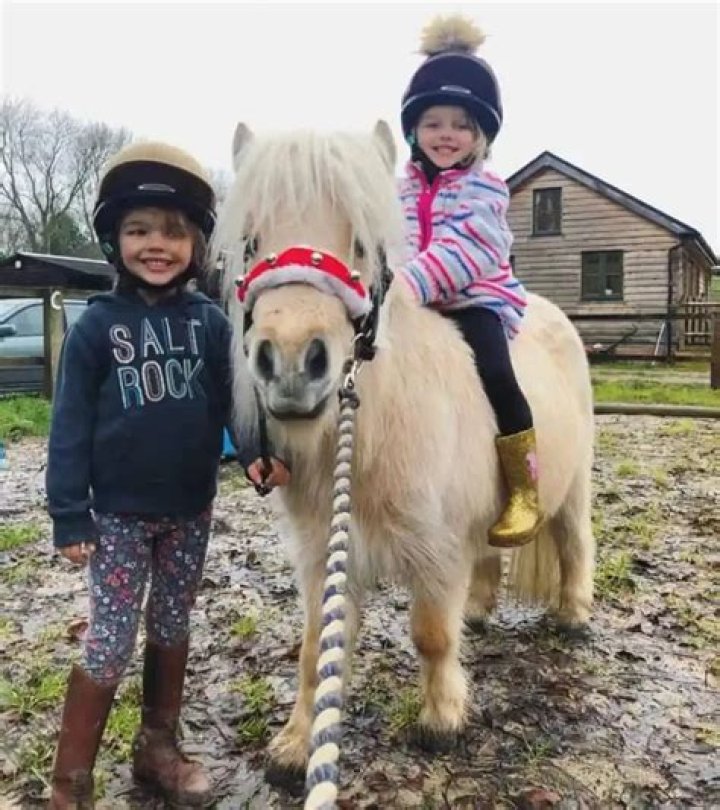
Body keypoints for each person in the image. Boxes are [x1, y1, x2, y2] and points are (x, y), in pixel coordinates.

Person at [46, 141, 288, 809]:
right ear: (113, 238)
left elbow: (231, 402)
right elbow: (66, 427)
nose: (158, 244)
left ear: (197, 245)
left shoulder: (210, 324)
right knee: (111, 639)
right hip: (118, 514)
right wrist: (69, 511)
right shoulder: (96, 329)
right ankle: (70, 783)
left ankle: (158, 748)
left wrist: (253, 451)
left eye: (175, 232)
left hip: (190, 507)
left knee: (173, 624)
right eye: (139, 230)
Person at [397, 15, 542, 548]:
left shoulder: (487, 187)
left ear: (480, 135)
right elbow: (396, 242)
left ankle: (524, 486)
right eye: (434, 123)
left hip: (477, 300)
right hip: (415, 303)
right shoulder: (401, 189)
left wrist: (405, 284)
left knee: (496, 374)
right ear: (414, 130)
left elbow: (470, 249)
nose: (446, 135)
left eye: (461, 125)